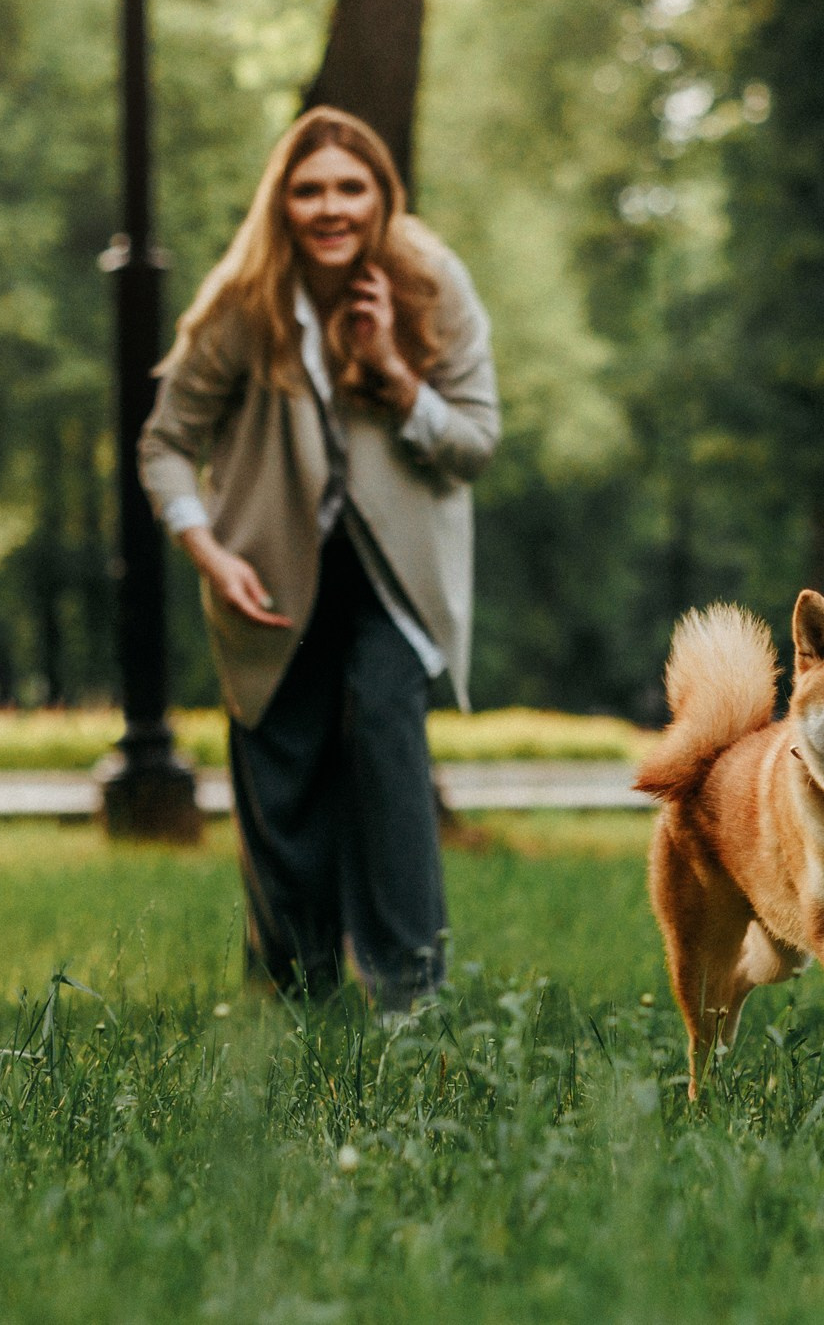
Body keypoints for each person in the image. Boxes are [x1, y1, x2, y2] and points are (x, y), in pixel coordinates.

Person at [137, 107, 499, 1008]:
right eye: (308, 190)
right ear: (282, 201)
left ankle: (410, 996)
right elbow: (165, 443)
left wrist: (393, 371)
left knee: (386, 743)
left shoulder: (430, 283)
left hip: (394, 580)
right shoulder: (242, 302)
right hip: (269, 575)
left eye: (349, 187)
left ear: (381, 196)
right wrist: (208, 551)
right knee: (283, 777)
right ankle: (294, 992)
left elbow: (475, 443)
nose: (330, 207)